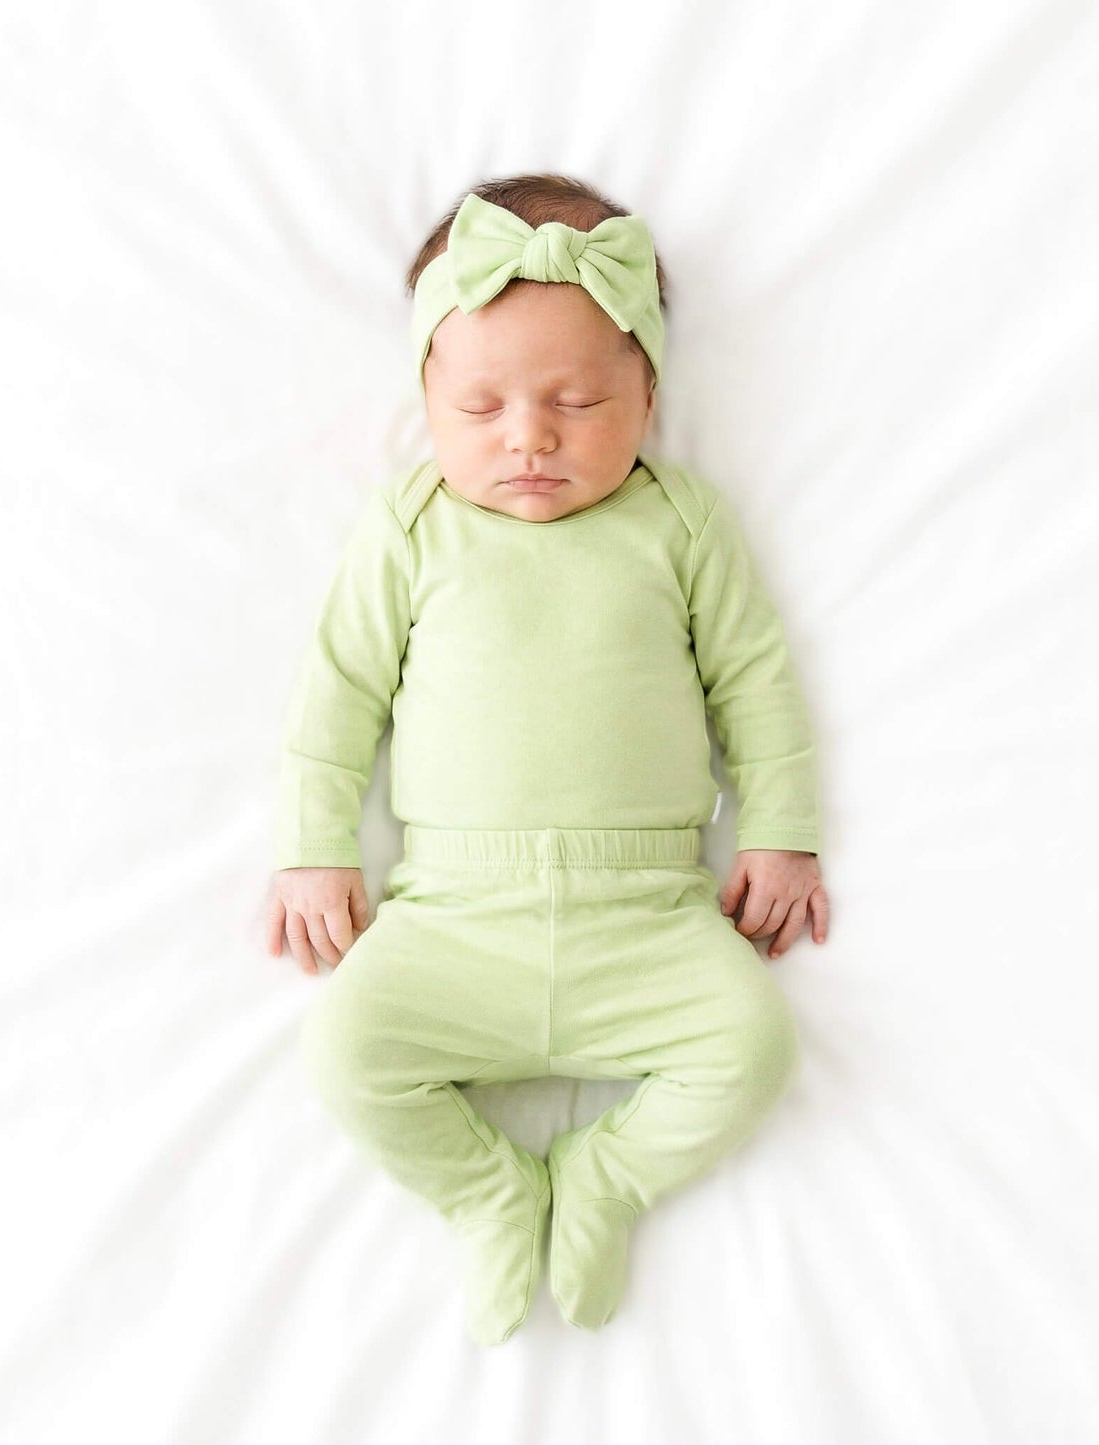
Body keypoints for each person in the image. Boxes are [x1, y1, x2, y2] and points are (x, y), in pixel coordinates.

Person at [261, 173, 830, 1345]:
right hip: (451, 918)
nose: (528, 435)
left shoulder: (679, 522)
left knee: (754, 1046)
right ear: (426, 397)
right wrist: (314, 849)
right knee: (345, 1050)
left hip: (649, 915)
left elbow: (754, 681)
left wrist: (780, 830)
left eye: (577, 400)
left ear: (648, 393)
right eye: (480, 406)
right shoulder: (412, 526)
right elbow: (338, 693)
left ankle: (605, 1176)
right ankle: (489, 1192)